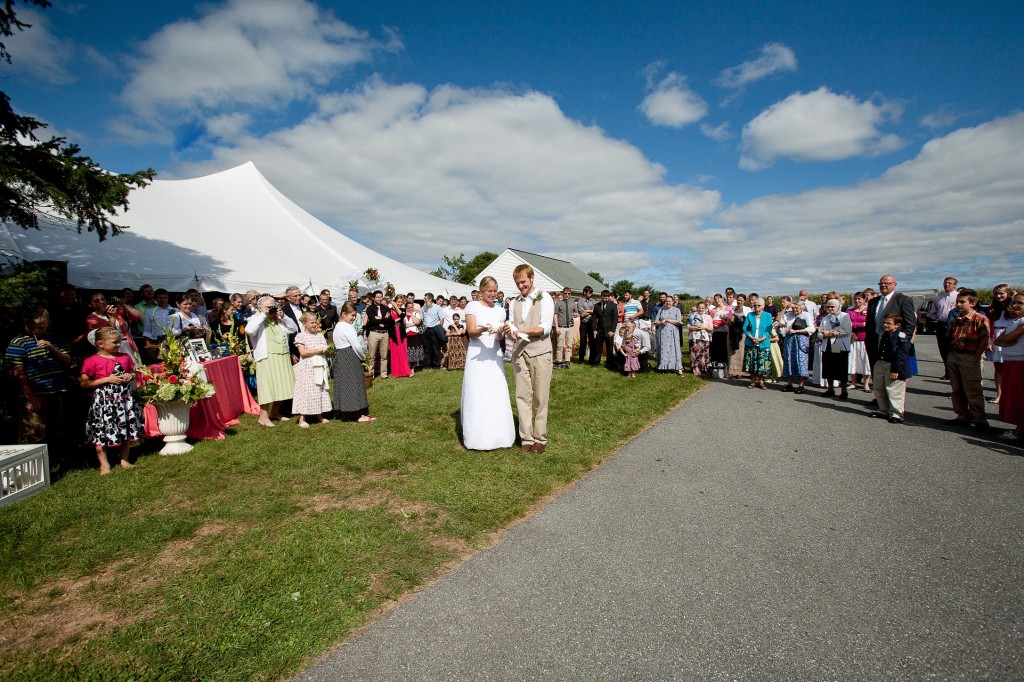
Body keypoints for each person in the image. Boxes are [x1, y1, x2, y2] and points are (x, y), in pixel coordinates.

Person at [6, 308, 73, 463]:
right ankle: (26, 464)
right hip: (36, 392)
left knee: (56, 427)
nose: (36, 330)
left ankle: (55, 461)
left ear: (48, 323)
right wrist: (30, 397)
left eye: (41, 327)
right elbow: (18, 372)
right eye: (32, 327)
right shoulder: (18, 342)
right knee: (34, 431)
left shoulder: (54, 339)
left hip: (56, 390)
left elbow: (67, 360)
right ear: (25, 324)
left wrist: (51, 348)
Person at [460, 276, 515, 450]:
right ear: (481, 291)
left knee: (496, 390)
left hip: (494, 353)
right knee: (478, 390)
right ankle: (477, 436)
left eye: (494, 291)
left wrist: (500, 331)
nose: (492, 294)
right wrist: (485, 328)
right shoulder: (472, 306)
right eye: (488, 291)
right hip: (477, 353)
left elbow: (499, 338)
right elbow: (472, 332)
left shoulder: (500, 310)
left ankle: (500, 435)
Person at [79, 327, 142, 474]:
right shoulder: (92, 361)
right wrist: (107, 379)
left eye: (119, 342)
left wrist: (129, 376)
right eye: (115, 342)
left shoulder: (124, 357)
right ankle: (104, 464)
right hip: (104, 403)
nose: (118, 345)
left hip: (123, 400)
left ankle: (125, 459)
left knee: (125, 427)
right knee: (102, 431)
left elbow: (132, 372)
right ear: (100, 343)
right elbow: (84, 383)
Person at [506, 264, 554, 452]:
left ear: (532, 278)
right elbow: (511, 324)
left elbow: (545, 328)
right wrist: (509, 330)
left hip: (540, 352)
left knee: (540, 397)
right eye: (518, 283)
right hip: (519, 354)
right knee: (522, 395)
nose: (520, 286)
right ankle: (526, 438)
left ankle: (540, 438)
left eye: (523, 282)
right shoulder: (513, 302)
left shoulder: (545, 298)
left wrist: (521, 330)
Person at [245, 295, 298, 427]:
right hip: (267, 356)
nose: (272, 309)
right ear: (260, 307)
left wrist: (283, 316)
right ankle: (263, 416)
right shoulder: (255, 318)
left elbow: (293, 329)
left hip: (282, 354)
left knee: (281, 384)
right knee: (267, 386)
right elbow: (250, 330)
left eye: (274, 306)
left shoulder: (278, 319)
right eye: (269, 307)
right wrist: (264, 314)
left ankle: (275, 412)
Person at [945, 289, 991, 430]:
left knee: (972, 389)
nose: (958, 304)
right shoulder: (956, 319)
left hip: (970, 356)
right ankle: (962, 416)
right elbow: (949, 337)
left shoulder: (980, 319)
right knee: (956, 388)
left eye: (962, 302)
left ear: (972, 303)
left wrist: (976, 356)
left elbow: (985, 339)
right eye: (957, 302)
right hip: (955, 355)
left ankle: (979, 420)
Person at [332, 302, 375, 422]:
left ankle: (344, 411)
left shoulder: (338, 326)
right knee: (354, 383)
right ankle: (358, 414)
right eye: (352, 315)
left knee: (344, 383)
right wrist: (362, 356)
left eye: (355, 315)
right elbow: (356, 345)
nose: (354, 318)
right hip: (349, 355)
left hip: (340, 355)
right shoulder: (347, 327)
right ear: (344, 314)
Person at [865, 274, 917, 371]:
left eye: (886, 283)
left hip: (893, 343)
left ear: (894, 285)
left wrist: (903, 340)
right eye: (881, 283)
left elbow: (910, 323)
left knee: (892, 375)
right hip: (874, 343)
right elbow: (869, 323)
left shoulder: (903, 300)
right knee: (877, 375)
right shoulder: (873, 302)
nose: (883, 285)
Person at [868, 315, 913, 424]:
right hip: (881, 363)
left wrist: (896, 370)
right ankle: (883, 410)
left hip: (893, 365)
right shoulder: (884, 334)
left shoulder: (901, 336)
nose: (885, 325)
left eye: (888, 323)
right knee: (879, 388)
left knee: (894, 390)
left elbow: (902, 354)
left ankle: (896, 414)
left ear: (897, 325)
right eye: (884, 322)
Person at [292, 312, 332, 428]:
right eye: (312, 322)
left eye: (315, 322)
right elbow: (303, 352)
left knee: (319, 389)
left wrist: (325, 350)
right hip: (308, 367)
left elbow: (325, 348)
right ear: (304, 323)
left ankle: (318, 414)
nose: (314, 324)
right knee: (307, 390)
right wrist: (319, 350)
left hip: (319, 365)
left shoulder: (319, 335)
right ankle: (302, 418)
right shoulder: (301, 336)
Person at [994, 293, 1024, 441]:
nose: (1015, 305)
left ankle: (1019, 432)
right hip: (1011, 362)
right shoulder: (1015, 321)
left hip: (1020, 363)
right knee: (1014, 397)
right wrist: (1006, 341)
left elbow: (1009, 338)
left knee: (1020, 398)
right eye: (1014, 302)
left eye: (1020, 303)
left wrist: (1006, 341)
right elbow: (998, 341)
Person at [817, 299, 853, 398]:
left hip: (838, 344)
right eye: (828, 307)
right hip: (828, 344)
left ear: (838, 306)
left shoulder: (844, 316)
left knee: (840, 367)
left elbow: (846, 330)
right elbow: (820, 332)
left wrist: (832, 332)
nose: (830, 309)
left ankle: (843, 390)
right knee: (828, 367)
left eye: (832, 306)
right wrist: (824, 335)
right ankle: (830, 389)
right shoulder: (825, 318)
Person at [778, 300, 815, 393]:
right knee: (789, 360)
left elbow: (812, 328)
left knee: (801, 361)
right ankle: (789, 383)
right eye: (793, 308)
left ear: (802, 308)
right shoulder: (788, 315)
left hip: (801, 340)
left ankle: (801, 385)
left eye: (796, 308)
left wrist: (797, 331)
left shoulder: (806, 315)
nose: (794, 310)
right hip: (790, 339)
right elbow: (779, 322)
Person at [985, 284, 1014, 404]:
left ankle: (1011, 395)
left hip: (1010, 336)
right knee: (998, 368)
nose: (998, 296)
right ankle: (999, 395)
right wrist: (988, 341)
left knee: (1012, 368)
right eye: (996, 293)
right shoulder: (992, 309)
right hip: (995, 336)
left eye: (1001, 293)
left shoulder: (1014, 307)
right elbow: (987, 326)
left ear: (1008, 293)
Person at [927, 277, 959, 377]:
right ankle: (948, 372)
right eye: (945, 283)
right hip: (942, 325)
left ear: (954, 285)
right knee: (943, 349)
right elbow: (932, 313)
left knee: (954, 349)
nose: (947, 285)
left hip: (956, 325)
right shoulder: (938, 298)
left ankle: (956, 372)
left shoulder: (959, 296)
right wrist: (937, 317)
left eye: (949, 283)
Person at [742, 296, 773, 389]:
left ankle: (761, 381)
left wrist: (762, 338)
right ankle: (753, 381)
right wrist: (751, 336)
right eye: (755, 305)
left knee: (762, 363)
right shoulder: (750, 315)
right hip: (751, 342)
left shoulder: (768, 315)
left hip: (763, 342)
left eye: (759, 305)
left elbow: (769, 329)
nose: (756, 307)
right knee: (751, 363)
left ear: (763, 306)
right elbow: (745, 327)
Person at [364, 290, 393, 378]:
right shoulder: (370, 308)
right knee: (371, 356)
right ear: (373, 298)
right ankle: (371, 374)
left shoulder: (386, 308)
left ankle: (383, 374)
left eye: (380, 297)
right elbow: (372, 320)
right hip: (374, 333)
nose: (379, 299)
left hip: (384, 333)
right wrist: (384, 318)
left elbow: (390, 321)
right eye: (377, 297)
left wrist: (379, 318)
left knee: (384, 356)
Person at [846, 292, 871, 392]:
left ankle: (866, 384)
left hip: (864, 339)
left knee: (865, 361)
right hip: (853, 339)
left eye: (859, 299)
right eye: (855, 299)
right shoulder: (849, 311)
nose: (857, 301)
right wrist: (862, 324)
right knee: (853, 360)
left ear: (864, 300)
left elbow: (869, 323)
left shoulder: (868, 310)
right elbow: (848, 324)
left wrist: (858, 324)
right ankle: (853, 383)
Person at [654, 296, 683, 374]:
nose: (668, 303)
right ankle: (664, 367)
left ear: (673, 302)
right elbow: (656, 322)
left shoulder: (677, 310)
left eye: (670, 301)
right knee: (664, 349)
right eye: (667, 301)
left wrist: (669, 320)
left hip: (673, 333)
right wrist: (661, 322)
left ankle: (676, 366)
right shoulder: (661, 310)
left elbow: (679, 322)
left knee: (674, 348)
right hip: (663, 332)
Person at [388, 295, 412, 378]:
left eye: (401, 302)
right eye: (398, 302)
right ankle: (395, 372)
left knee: (403, 352)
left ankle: (405, 371)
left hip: (401, 333)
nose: (400, 303)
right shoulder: (389, 310)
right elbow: (388, 321)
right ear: (395, 301)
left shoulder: (402, 310)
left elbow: (402, 316)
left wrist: (395, 306)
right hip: (393, 333)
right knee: (395, 352)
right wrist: (395, 320)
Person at [687, 301, 713, 376]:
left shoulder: (708, 317)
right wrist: (693, 327)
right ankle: (695, 369)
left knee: (703, 354)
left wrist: (704, 327)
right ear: (697, 308)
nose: (701, 309)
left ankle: (704, 369)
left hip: (704, 338)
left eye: (702, 308)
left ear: (705, 308)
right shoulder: (692, 316)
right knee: (694, 354)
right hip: (694, 337)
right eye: (699, 308)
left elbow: (711, 328)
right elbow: (688, 326)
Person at [420, 293, 445, 369]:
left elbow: (441, 319)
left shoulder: (438, 308)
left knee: (436, 348)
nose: (424, 300)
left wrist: (439, 328)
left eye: (425, 299)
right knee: (427, 348)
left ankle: (436, 365)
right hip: (425, 329)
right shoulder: (423, 308)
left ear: (430, 299)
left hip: (434, 329)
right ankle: (427, 365)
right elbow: (421, 319)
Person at [574, 286, 597, 364]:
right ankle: (581, 359)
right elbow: (582, 314)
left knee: (592, 342)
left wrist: (586, 311)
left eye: (591, 293)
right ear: (584, 292)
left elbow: (595, 311)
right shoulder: (580, 301)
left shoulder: (593, 300)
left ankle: (591, 360)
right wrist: (591, 311)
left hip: (592, 324)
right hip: (584, 323)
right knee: (583, 342)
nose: (590, 294)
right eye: (589, 292)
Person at [553, 289, 574, 369]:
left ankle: (567, 361)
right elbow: (555, 315)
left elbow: (575, 313)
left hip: (570, 327)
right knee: (559, 345)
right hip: (561, 327)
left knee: (569, 345)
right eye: (565, 293)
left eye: (569, 293)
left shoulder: (572, 304)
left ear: (570, 294)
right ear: (563, 294)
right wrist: (557, 327)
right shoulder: (558, 304)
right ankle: (558, 360)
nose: (567, 295)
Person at [404, 300, 424, 375]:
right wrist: (413, 323)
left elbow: (418, 322)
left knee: (415, 353)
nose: (411, 309)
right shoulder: (403, 315)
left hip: (415, 335)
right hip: (406, 336)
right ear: (406, 308)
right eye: (409, 307)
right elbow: (404, 325)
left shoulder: (416, 313)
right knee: (407, 353)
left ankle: (412, 368)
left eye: (412, 307)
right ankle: (407, 367)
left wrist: (412, 315)